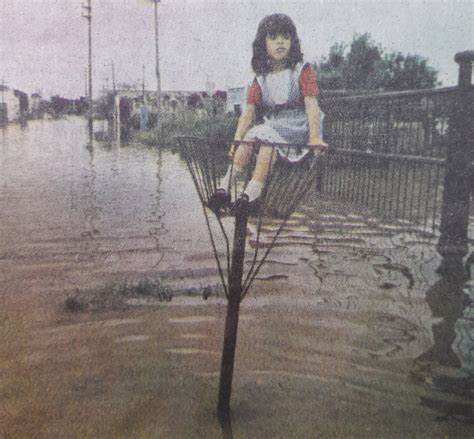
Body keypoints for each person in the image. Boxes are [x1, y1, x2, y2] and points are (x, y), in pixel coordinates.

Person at [208, 13, 328, 214]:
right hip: (275, 125)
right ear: (263, 44)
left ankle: (252, 194)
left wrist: (315, 137)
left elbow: (311, 104)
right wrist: (237, 139)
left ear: (293, 41)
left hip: (299, 126)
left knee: (266, 141)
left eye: (285, 37)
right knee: (250, 139)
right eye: (273, 37)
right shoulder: (260, 79)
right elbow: (248, 112)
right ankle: (224, 188)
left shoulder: (302, 70)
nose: (280, 42)